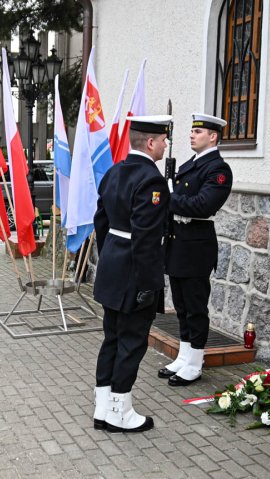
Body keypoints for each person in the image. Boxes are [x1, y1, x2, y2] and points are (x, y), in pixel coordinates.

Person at [92, 115, 172, 433]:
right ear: (150, 142)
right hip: (133, 274)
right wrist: (149, 285)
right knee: (132, 342)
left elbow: (101, 222)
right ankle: (119, 412)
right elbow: (146, 239)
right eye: (164, 139)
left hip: (112, 266)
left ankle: (103, 407)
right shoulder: (151, 180)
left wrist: (110, 256)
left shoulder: (114, 172)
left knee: (112, 338)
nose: (166, 144)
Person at [160, 113, 234, 386]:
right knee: (180, 306)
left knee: (195, 307)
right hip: (178, 243)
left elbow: (203, 205)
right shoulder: (192, 164)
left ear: (213, 136)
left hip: (195, 248)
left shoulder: (218, 170)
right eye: (192, 131)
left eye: (198, 131)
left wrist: (171, 198)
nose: (192, 135)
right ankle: (184, 355)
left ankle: (195, 362)